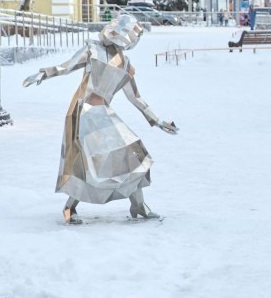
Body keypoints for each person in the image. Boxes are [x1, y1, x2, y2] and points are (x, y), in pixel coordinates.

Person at [23, 14, 178, 224]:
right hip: (82, 111)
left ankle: (138, 205)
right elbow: (66, 66)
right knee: (86, 162)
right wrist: (43, 74)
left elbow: (136, 98)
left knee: (133, 153)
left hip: (102, 113)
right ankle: (69, 207)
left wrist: (158, 121)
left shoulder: (124, 64)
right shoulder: (92, 50)